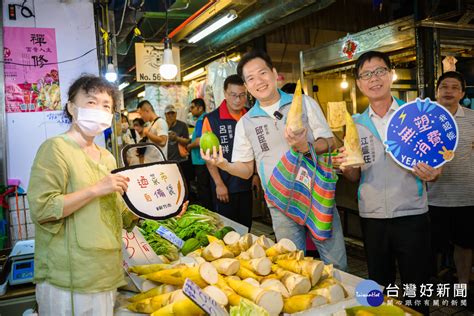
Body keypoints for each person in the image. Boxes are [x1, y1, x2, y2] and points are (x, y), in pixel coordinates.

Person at [202, 50, 347, 271]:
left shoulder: (304, 103)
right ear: (247, 86)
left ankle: (343, 304)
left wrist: (306, 147)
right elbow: (245, 169)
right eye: (251, 78)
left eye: (262, 73)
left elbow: (330, 142)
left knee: (335, 264)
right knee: (290, 265)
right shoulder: (246, 123)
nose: (258, 81)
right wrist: (222, 164)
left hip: (317, 195)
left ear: (274, 73)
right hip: (280, 203)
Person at [334, 51, 441, 315]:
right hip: (372, 217)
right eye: (366, 75)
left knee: (417, 285)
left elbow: (436, 162)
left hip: (412, 214)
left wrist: (433, 173)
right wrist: (346, 168)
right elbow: (354, 176)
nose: (374, 79)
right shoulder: (354, 125)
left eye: (380, 71)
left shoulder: (415, 117)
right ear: (359, 83)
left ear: (391, 74)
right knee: (379, 287)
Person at [27, 75, 137, 315]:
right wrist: (96, 189)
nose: (99, 110)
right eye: (90, 102)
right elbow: (43, 209)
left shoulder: (107, 157)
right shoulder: (55, 149)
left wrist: (158, 210)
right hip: (70, 278)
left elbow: (117, 210)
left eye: (106, 105)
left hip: (106, 271)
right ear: (71, 107)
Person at [428, 71, 473, 288]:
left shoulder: (472, 119)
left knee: (464, 245)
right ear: (436, 92)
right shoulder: (424, 119)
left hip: (466, 196)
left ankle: (462, 285)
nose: (449, 91)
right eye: (444, 86)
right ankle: (432, 284)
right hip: (431, 197)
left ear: (463, 93)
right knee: (431, 245)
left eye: (455, 87)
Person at [201, 74, 254, 229]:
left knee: (246, 227)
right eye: (233, 95)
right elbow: (208, 157)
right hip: (224, 185)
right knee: (227, 229)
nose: (238, 100)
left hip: (246, 184)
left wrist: (256, 175)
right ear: (225, 94)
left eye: (242, 95)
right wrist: (219, 184)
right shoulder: (211, 119)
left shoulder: (251, 116)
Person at [187, 98, 213, 210]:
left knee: (204, 188)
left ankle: (207, 211)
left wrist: (189, 146)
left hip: (201, 160)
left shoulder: (201, 120)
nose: (190, 110)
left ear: (200, 108)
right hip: (207, 160)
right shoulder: (208, 118)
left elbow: (199, 141)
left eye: (193, 107)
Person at [165, 104, 194, 196]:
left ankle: (187, 200)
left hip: (182, 160)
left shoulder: (182, 125)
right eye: (168, 114)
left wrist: (176, 138)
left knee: (185, 182)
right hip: (168, 161)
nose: (171, 116)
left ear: (176, 114)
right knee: (172, 184)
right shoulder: (162, 125)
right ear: (165, 115)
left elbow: (187, 141)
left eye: (172, 113)